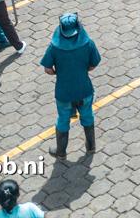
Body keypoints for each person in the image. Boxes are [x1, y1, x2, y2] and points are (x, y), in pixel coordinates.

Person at [42, 13, 102, 159]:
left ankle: (61, 152)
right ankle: (91, 146)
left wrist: (58, 72)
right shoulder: (88, 43)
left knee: (63, 119)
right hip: (84, 89)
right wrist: (82, 70)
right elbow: (94, 64)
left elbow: (47, 69)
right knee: (87, 115)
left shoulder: (54, 47)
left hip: (64, 92)